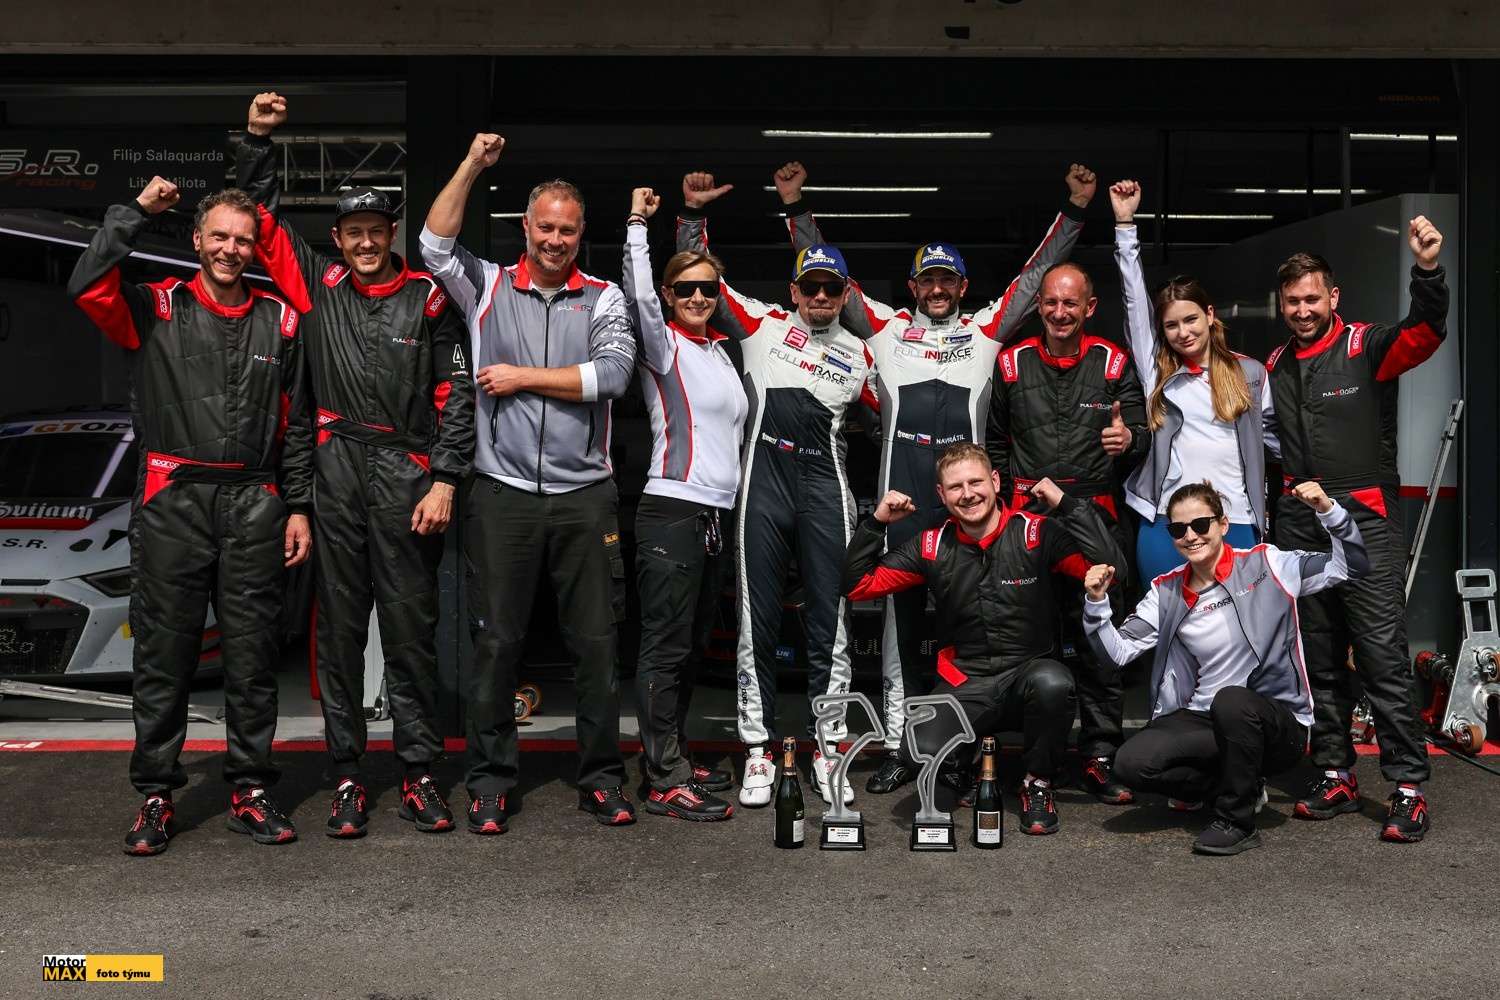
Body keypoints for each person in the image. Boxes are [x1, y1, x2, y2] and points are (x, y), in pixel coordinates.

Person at [777, 160, 1095, 794]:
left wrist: (1076, 210)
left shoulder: (985, 332)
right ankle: (903, 743)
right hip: (905, 507)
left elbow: (1035, 278)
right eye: (928, 280)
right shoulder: (886, 330)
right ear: (914, 286)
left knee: (972, 625)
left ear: (962, 285)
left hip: (971, 508)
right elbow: (829, 271)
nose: (938, 289)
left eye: (948, 279)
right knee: (899, 629)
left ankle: (970, 743)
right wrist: (796, 208)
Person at [235, 93, 476, 838]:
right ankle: (346, 775)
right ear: (337, 238)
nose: (365, 242)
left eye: (376, 230)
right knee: (337, 638)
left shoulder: (428, 298)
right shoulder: (316, 287)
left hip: (408, 480)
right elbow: (263, 222)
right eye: (353, 232)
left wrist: (445, 478)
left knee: (409, 635)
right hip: (335, 476)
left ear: (390, 233)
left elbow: (457, 395)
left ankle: (419, 774)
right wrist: (257, 142)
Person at [69, 176, 313, 855]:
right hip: (171, 499)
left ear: (255, 247)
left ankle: (250, 790)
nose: (232, 249)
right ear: (198, 241)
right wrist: (135, 213)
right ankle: (155, 794)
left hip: (255, 502)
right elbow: (87, 285)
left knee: (252, 656)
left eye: (244, 240)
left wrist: (297, 506)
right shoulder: (155, 306)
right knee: (164, 655)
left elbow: (295, 427)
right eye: (220, 237)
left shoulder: (282, 320)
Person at [419, 134, 638, 833]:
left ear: (581, 233)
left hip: (585, 496)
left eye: (567, 230)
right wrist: (471, 165)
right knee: (496, 643)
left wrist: (521, 377)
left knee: (596, 645)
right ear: (526, 227)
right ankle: (488, 782)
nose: (555, 240)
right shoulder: (486, 284)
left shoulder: (603, 297)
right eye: (545, 227)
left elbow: (614, 377)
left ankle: (601, 779)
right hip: (502, 495)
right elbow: (431, 244)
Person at [675, 171, 877, 809]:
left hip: (826, 489)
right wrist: (691, 216)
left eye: (831, 288)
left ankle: (829, 747)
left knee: (830, 623)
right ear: (794, 291)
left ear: (844, 294)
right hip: (762, 484)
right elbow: (701, 277)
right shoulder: (761, 325)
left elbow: (904, 420)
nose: (819, 295)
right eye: (809, 286)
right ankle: (759, 751)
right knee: (756, 622)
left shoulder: (865, 354)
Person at [1265, 219, 1448, 841]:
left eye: (1312, 299)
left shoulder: (1367, 344)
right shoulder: (1277, 363)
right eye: (1292, 302)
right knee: (1317, 656)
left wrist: (1428, 272)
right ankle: (1335, 772)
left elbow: (1424, 334)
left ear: (1333, 296)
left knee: (1380, 655)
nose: (1302, 310)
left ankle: (1407, 788)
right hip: (1300, 520)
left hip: (1366, 516)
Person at [842, 443, 1124, 835]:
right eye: (955, 487)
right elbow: (858, 585)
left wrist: (1067, 504)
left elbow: (1111, 569)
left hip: (1029, 677)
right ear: (941, 495)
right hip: (967, 682)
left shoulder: (1036, 532)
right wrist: (876, 523)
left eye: (976, 482)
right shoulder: (932, 544)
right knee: (922, 759)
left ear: (994, 481)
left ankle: (1037, 783)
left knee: (1053, 683)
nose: (968, 494)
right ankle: (965, 763)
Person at [1083, 480, 1368, 855]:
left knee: (1232, 700)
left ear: (1222, 524)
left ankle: (1237, 821)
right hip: (1204, 718)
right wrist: (1096, 603)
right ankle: (1234, 785)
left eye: (1200, 524)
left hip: (1275, 724)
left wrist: (1329, 511)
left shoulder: (1268, 564)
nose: (1190, 536)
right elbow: (1116, 654)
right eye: (1178, 529)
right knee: (1130, 764)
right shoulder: (1166, 591)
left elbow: (1351, 566)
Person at [985, 259, 1150, 804]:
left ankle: (1100, 756)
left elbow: (1142, 432)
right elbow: (995, 444)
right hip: (1029, 522)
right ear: (1039, 306)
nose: (1060, 312)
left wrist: (1130, 441)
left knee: (1100, 640)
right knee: (1033, 641)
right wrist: (1005, 514)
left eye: (1070, 303)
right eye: (1051, 302)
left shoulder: (1113, 361)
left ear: (1089, 308)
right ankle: (1041, 763)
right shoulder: (1011, 363)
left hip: (1094, 519)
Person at [621, 185, 746, 821]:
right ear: (670, 296)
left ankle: (673, 753)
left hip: (714, 516)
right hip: (671, 509)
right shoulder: (663, 345)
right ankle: (662, 777)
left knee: (694, 647)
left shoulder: (718, 351)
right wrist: (638, 226)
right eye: (686, 289)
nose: (699, 297)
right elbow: (640, 296)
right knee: (665, 648)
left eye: (708, 288)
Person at [1109, 179, 1273, 583]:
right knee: (1166, 616)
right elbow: (1134, 302)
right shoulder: (1158, 373)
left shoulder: (1251, 373)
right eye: (1171, 325)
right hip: (1167, 519)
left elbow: (1274, 442)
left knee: (1238, 618)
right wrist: (1125, 225)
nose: (1183, 332)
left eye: (1190, 319)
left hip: (1235, 518)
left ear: (1210, 315)